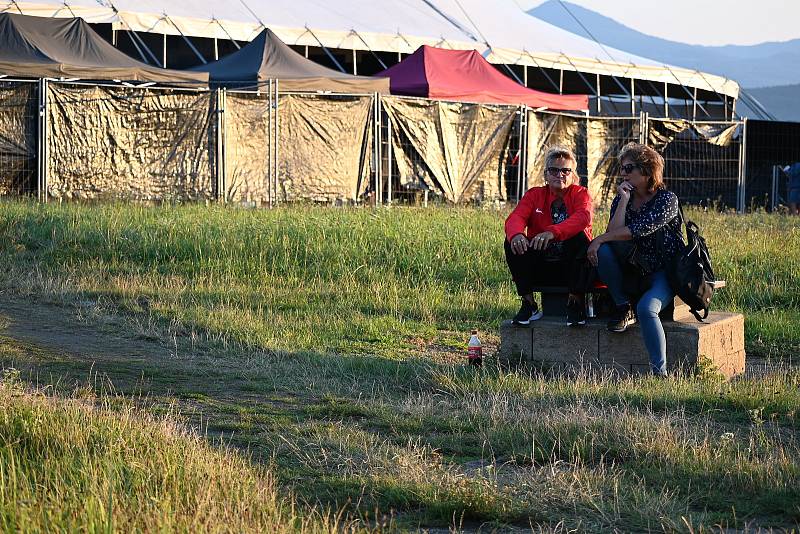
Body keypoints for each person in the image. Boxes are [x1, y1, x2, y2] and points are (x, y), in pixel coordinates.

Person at [586, 143, 684, 377]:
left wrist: (598, 239)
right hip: (633, 268)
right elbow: (615, 230)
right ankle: (622, 306)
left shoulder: (666, 200)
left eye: (629, 168)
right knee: (604, 250)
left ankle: (659, 373)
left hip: (663, 271)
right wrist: (622, 200)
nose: (624, 174)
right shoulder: (623, 197)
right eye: (622, 168)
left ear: (648, 171)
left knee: (647, 309)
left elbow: (639, 229)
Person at [504, 146, 593, 327]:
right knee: (512, 242)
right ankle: (529, 303)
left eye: (565, 170)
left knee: (579, 239)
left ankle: (574, 302)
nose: (559, 174)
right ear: (545, 174)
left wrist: (553, 232)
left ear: (573, 175)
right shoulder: (534, 194)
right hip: (542, 263)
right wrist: (516, 235)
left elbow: (583, 218)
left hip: (573, 265)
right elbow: (516, 217)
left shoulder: (581, 194)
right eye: (554, 170)